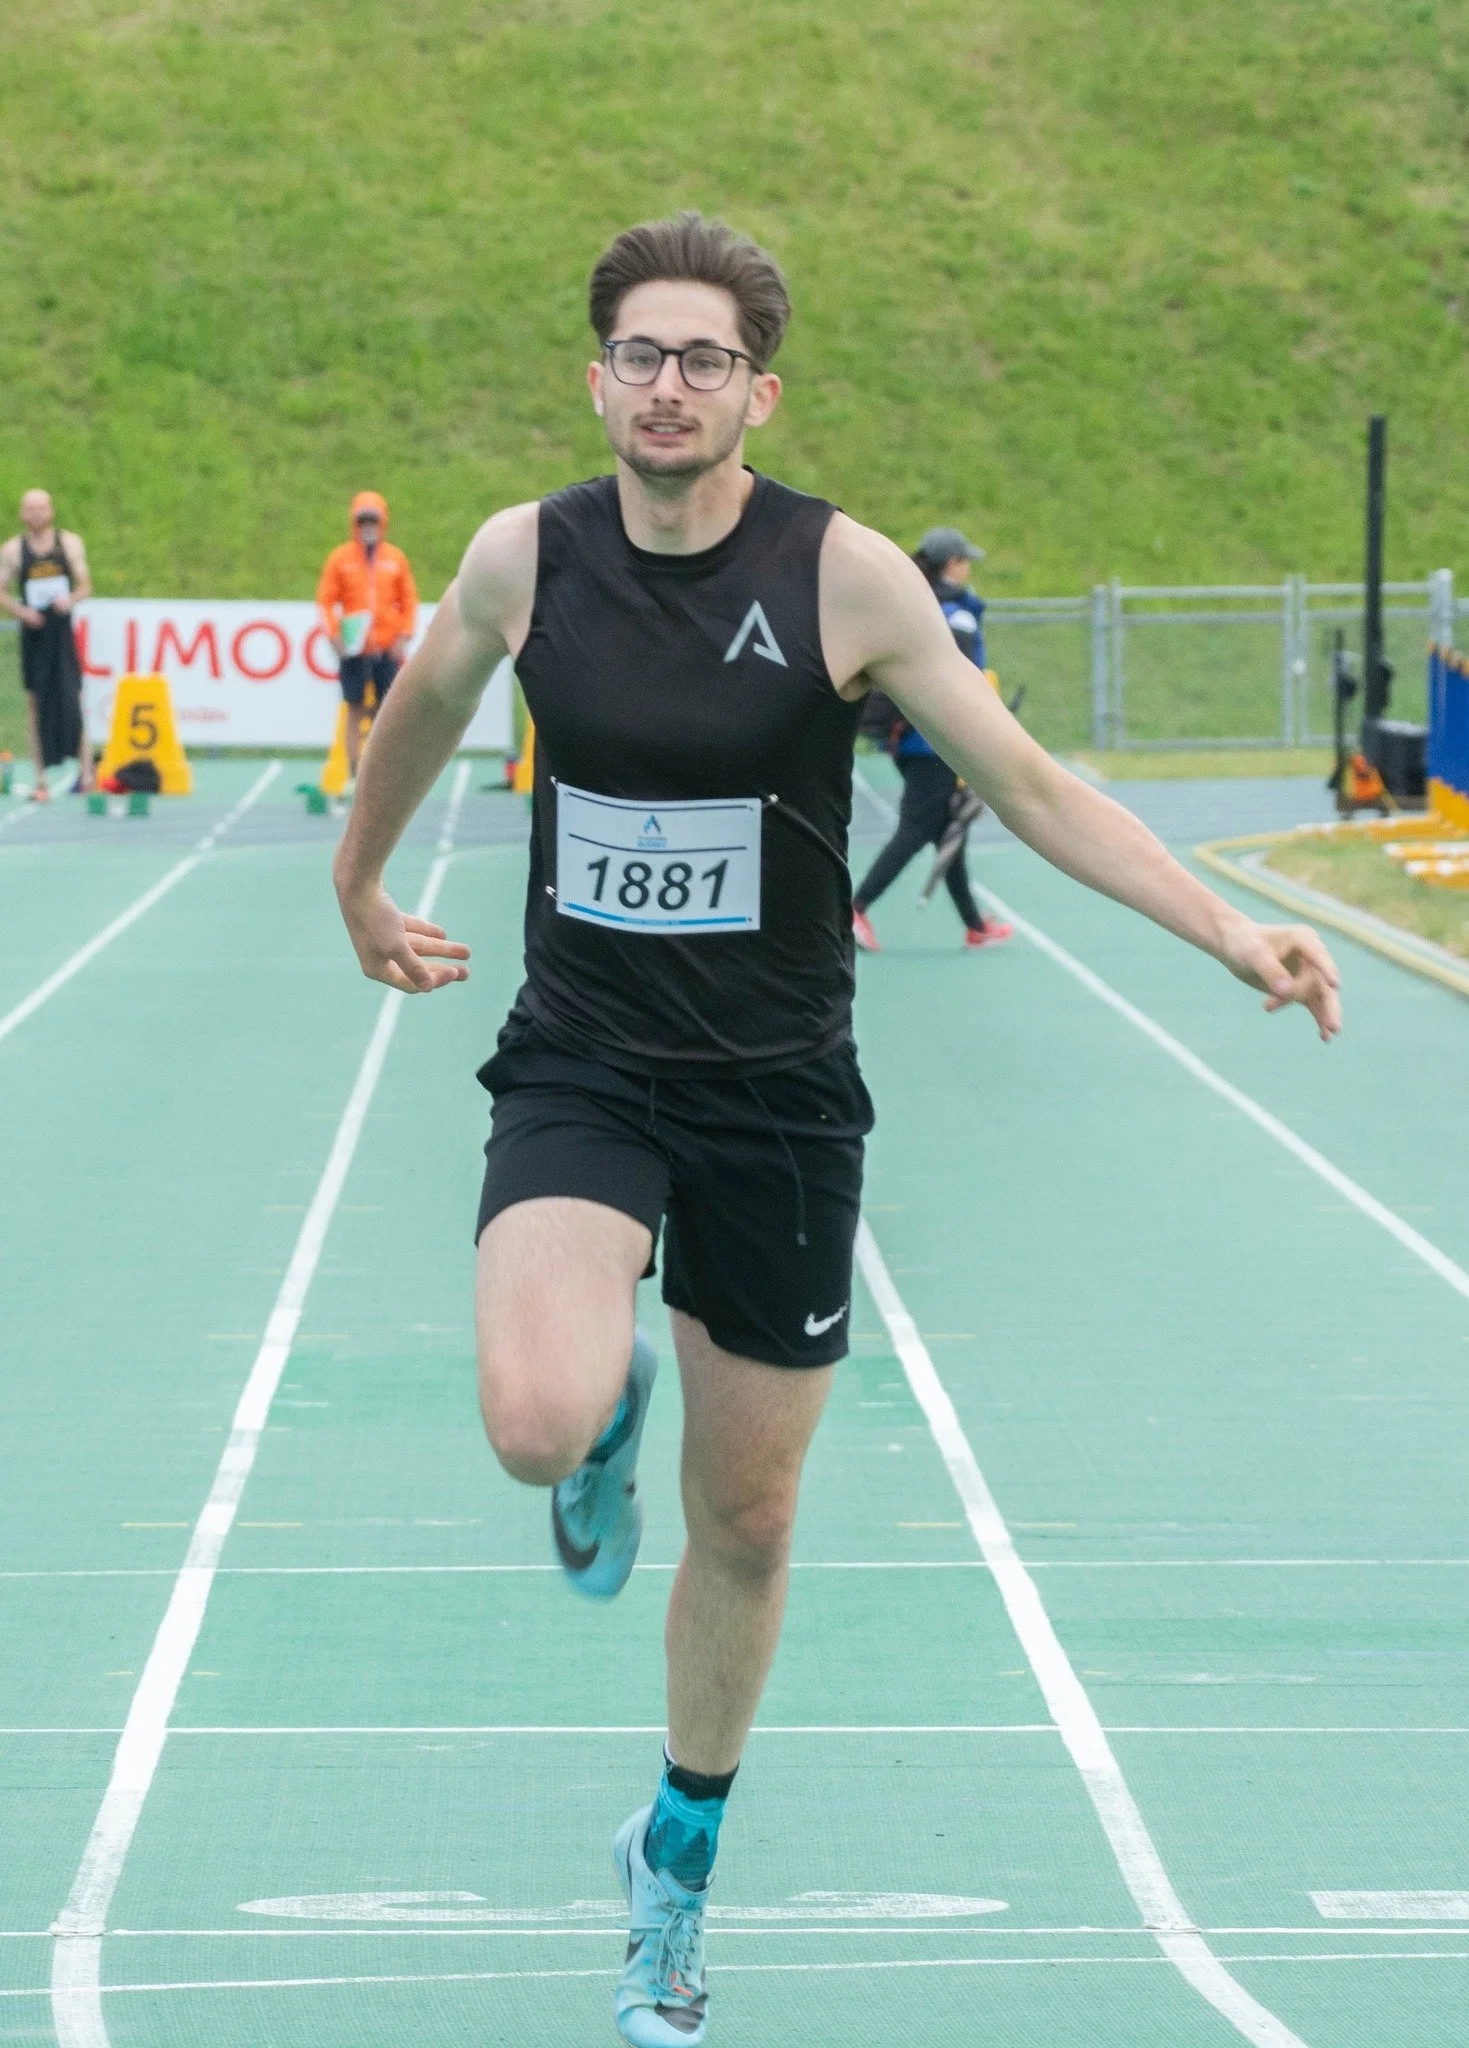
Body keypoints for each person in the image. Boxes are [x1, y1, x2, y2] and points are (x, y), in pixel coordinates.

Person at [331, 212, 1342, 2048]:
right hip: (582, 1060)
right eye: (636, 351)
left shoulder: (840, 577)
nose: (664, 383)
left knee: (751, 1513)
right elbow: (419, 706)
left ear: (754, 390)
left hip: (778, 1097)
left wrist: (1224, 928)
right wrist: (356, 879)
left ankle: (672, 1865)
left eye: (701, 358)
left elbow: (1022, 783)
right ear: (595, 375)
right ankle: (604, 1400)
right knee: (532, 1418)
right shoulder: (517, 556)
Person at [852, 524, 1011, 951]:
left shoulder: (916, 603)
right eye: (964, 562)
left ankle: (975, 926)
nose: (968, 570)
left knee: (948, 831)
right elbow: (954, 682)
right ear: (951, 565)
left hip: (913, 737)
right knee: (921, 825)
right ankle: (856, 907)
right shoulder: (955, 613)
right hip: (933, 740)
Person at [315, 491, 417, 786]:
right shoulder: (340, 559)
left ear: (383, 522)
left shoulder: (395, 559)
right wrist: (335, 636)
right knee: (354, 708)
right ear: (354, 523)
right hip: (354, 649)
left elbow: (408, 600)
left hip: (386, 649)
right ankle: (352, 773)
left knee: (385, 714)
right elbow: (325, 602)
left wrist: (404, 635)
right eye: (362, 521)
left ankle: (379, 774)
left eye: (373, 520)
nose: (367, 526)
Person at [0, 489, 96, 798]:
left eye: (42, 508)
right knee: (34, 703)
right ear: (23, 514)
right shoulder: (14, 550)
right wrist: (22, 611)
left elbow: (85, 586)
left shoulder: (69, 544)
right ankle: (40, 780)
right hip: (34, 634)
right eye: (31, 509)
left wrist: (69, 599)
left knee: (74, 697)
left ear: (51, 510)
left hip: (61, 631)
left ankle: (87, 775)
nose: (37, 514)